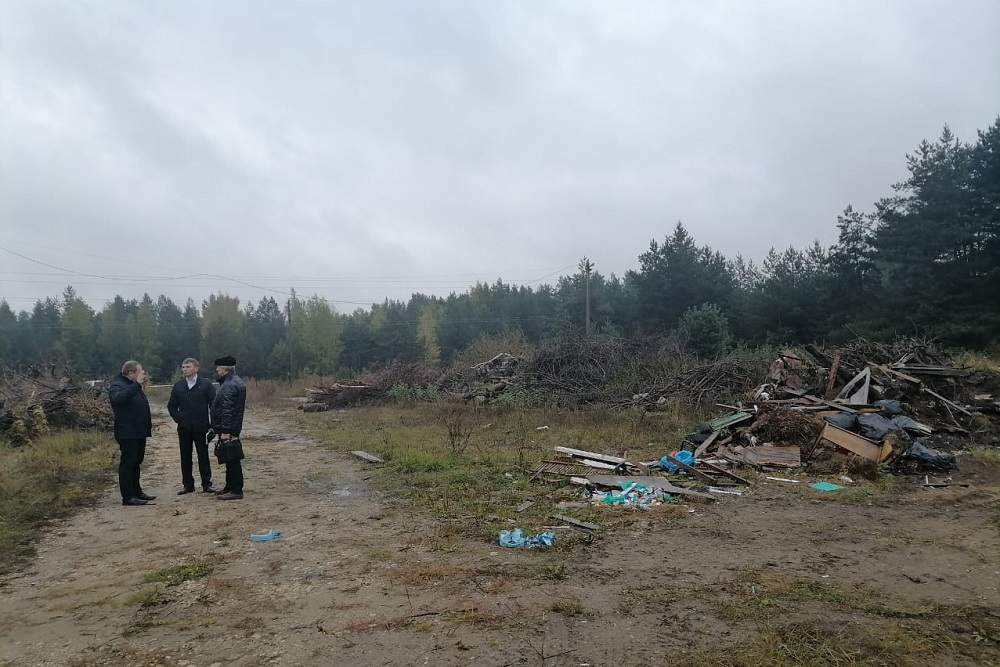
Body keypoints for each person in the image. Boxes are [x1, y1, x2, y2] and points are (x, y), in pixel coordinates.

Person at [108, 360, 155, 506]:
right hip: (127, 432)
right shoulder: (117, 385)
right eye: (140, 372)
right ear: (131, 373)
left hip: (138, 431)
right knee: (128, 464)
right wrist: (137, 385)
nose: (143, 375)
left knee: (136, 463)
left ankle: (137, 491)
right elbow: (119, 399)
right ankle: (128, 496)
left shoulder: (132, 385)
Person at [167, 357, 217, 494]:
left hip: (201, 427)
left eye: (188, 367)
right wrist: (178, 419)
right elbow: (171, 406)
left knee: (203, 456)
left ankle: (207, 484)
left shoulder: (205, 384)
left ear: (196, 368)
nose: (185, 369)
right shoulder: (178, 386)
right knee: (185, 456)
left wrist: (212, 424)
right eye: (183, 367)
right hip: (184, 428)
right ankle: (188, 485)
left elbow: (214, 404)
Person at [210, 355, 247, 500]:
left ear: (224, 369)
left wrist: (225, 430)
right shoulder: (233, 381)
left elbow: (227, 409)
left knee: (232, 459)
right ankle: (229, 486)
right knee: (229, 457)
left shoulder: (229, 385)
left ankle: (236, 490)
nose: (216, 370)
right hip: (231, 426)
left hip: (229, 428)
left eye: (218, 367)